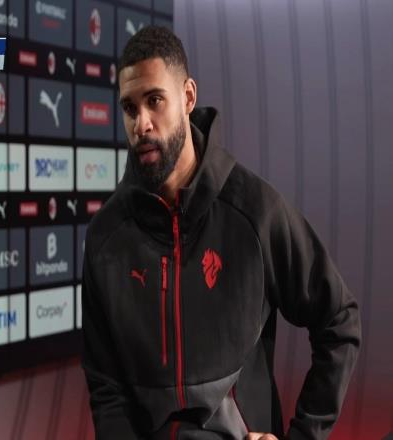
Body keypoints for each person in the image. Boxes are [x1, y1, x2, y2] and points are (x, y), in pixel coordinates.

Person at [81, 26, 361, 440]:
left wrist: (304, 435)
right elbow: (106, 385)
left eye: (155, 100)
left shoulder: (254, 210)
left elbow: (338, 319)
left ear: (188, 97)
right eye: (129, 108)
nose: (141, 124)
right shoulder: (105, 238)